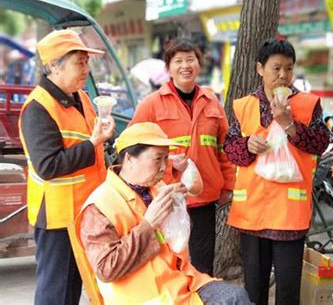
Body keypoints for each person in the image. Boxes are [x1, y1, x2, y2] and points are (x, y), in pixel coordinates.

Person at [76, 122, 250, 304]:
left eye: (166, 159)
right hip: (146, 296)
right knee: (233, 299)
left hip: (180, 281)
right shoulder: (99, 206)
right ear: (129, 159)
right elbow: (106, 269)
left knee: (236, 296)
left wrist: (178, 210)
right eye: (157, 159)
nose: (163, 167)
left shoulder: (156, 188)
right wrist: (148, 224)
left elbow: (176, 240)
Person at [224, 38, 330, 305]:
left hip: (289, 216)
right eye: (276, 68)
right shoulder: (244, 105)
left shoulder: (307, 104)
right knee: (254, 290)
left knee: (287, 291)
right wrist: (247, 145)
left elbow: (320, 144)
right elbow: (230, 149)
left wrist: (290, 125)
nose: (283, 75)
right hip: (252, 215)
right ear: (260, 69)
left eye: (289, 69)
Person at [18, 29, 115, 304]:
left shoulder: (82, 98)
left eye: (87, 62)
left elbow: (93, 144)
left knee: (74, 289)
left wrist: (106, 140)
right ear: (53, 66)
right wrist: (93, 142)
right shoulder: (38, 108)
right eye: (79, 63)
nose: (86, 69)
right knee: (56, 293)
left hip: (85, 211)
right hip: (58, 219)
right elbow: (48, 165)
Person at [129, 38, 235, 276]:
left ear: (199, 64)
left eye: (190, 59)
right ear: (168, 67)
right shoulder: (151, 104)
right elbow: (132, 145)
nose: (185, 66)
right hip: (165, 198)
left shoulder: (212, 103)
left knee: (201, 265)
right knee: (169, 263)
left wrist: (228, 185)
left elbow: (225, 148)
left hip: (204, 199)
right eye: (178, 61)